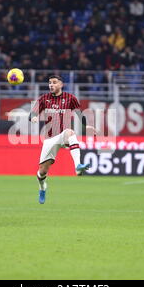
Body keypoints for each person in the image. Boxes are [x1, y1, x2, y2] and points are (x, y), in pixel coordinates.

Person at [29, 75, 96, 204]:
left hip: (63, 134)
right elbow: (32, 114)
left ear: (61, 84)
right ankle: (42, 187)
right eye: (49, 83)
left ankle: (78, 166)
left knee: (70, 132)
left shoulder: (70, 98)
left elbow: (79, 114)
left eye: (54, 83)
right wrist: (33, 118)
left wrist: (85, 126)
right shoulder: (44, 99)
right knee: (42, 171)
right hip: (49, 138)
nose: (51, 85)